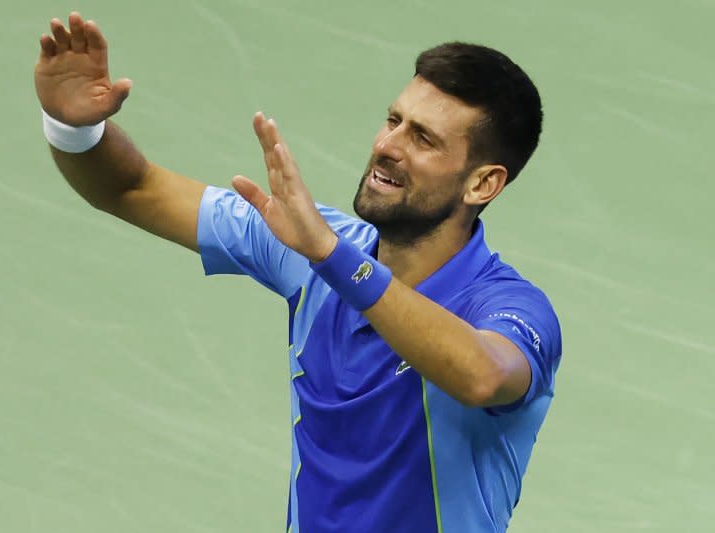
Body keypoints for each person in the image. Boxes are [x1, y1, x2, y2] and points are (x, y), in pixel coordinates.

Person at [35, 12, 562, 533]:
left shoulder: (508, 306)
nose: (386, 146)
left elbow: (484, 375)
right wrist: (76, 129)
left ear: (482, 184)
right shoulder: (311, 242)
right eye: (393, 120)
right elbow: (133, 188)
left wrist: (332, 258)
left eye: (423, 139)